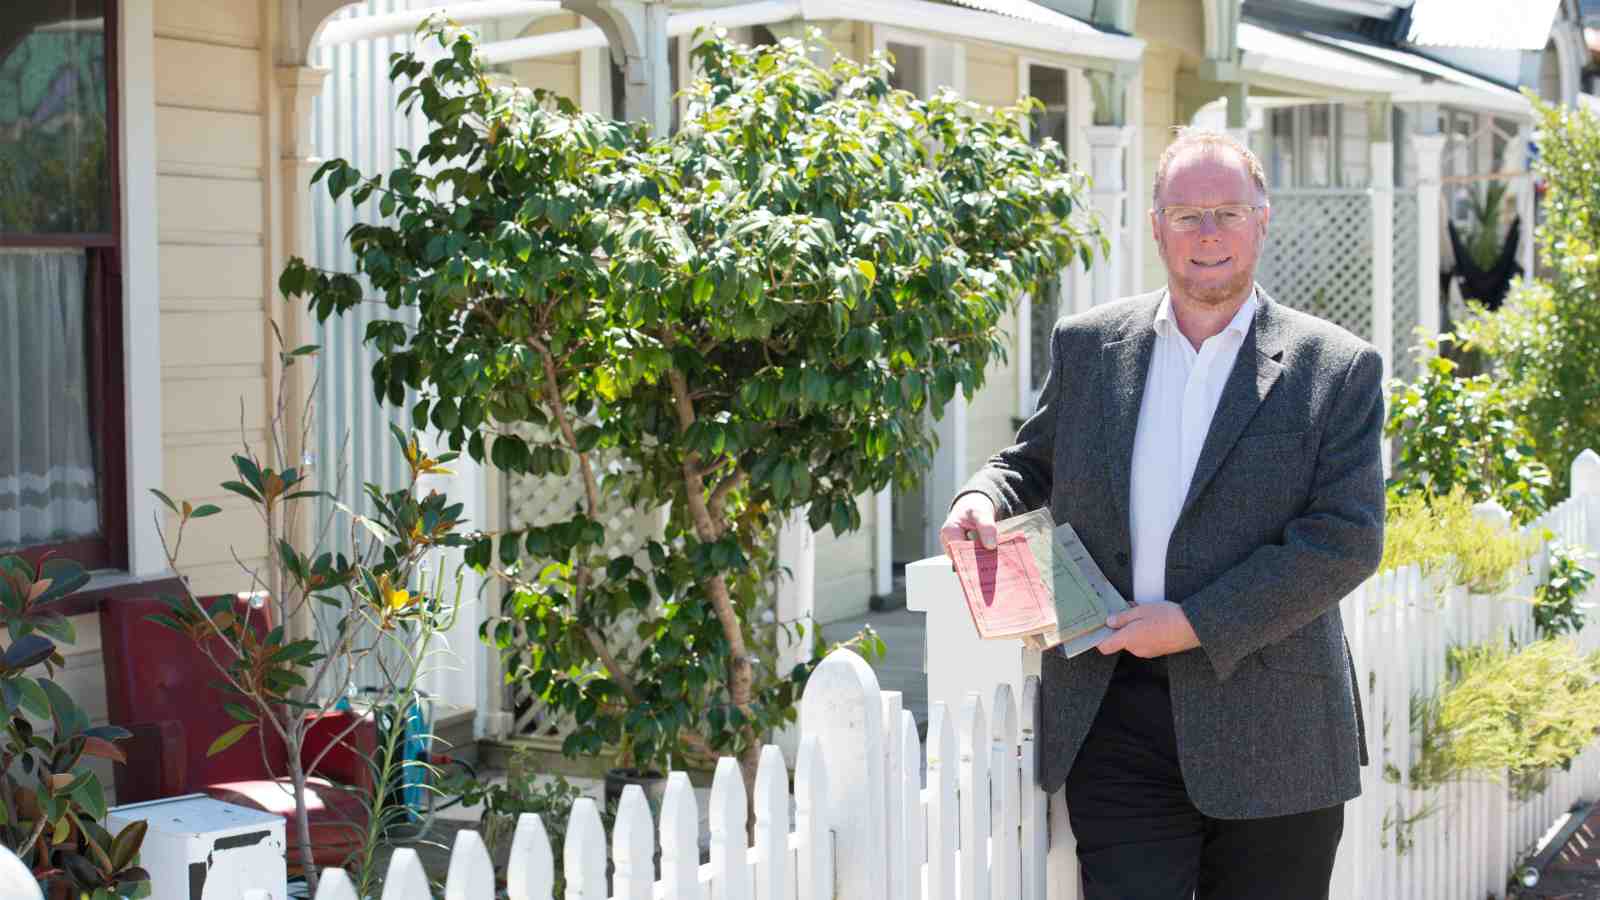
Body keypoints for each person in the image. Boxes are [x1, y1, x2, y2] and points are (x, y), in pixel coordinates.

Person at [941, 129, 1384, 900]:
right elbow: (1031, 463)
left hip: (1275, 724)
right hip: (1113, 710)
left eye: (1227, 212)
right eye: (1186, 215)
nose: (1207, 233)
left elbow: (1345, 540)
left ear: (1262, 220)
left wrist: (1194, 621)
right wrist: (982, 498)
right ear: (1155, 226)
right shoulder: (1089, 346)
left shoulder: (1337, 368)